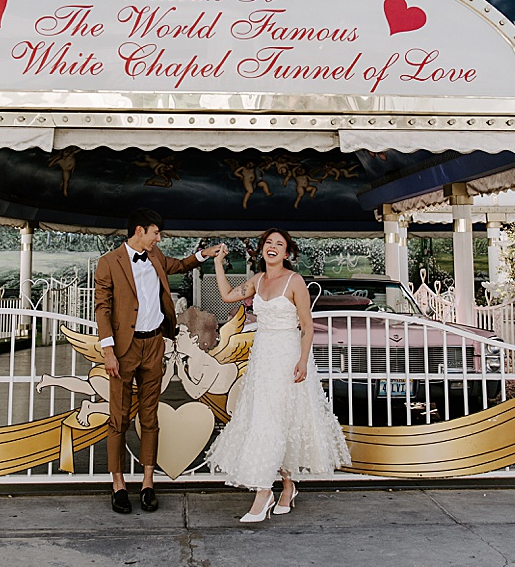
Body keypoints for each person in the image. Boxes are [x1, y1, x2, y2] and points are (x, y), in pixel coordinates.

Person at [205, 228, 351, 522]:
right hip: (263, 355)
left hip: (287, 354)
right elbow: (226, 295)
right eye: (268, 243)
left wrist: (302, 361)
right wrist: (219, 262)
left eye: (279, 244)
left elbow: (307, 326)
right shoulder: (257, 281)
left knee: (282, 418)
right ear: (262, 250)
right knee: (266, 417)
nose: (272, 247)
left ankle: (264, 491)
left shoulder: (295, 281)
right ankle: (286, 485)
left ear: (287, 253)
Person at [94, 208, 220, 514]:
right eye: (155, 233)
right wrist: (109, 352)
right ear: (140, 231)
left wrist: (205, 253)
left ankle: (148, 483)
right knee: (119, 418)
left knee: (150, 417)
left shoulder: (156, 256)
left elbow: (181, 264)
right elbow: (102, 309)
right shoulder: (109, 263)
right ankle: (119, 485)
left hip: (153, 345)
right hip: (123, 349)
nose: (158, 238)